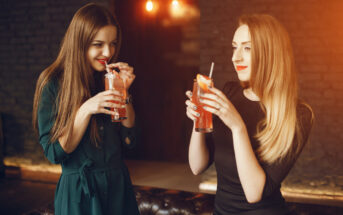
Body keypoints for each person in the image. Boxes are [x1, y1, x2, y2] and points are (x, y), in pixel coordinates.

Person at [185, 14, 313, 215]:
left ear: (270, 53)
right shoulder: (230, 92)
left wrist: (238, 127)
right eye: (234, 47)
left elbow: (254, 193)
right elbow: (196, 166)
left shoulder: (298, 115)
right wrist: (198, 120)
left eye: (247, 48)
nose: (235, 57)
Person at [32, 3, 140, 215]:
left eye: (113, 43)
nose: (108, 52)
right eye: (98, 44)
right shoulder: (52, 82)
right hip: (80, 192)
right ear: (79, 43)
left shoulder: (109, 77)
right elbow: (54, 153)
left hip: (118, 185)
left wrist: (124, 95)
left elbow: (131, 140)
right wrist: (85, 109)